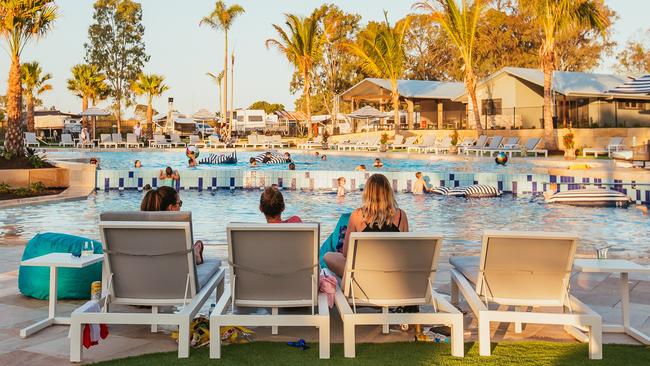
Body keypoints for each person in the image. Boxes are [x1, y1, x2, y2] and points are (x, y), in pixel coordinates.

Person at [324, 174, 409, 277]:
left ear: (367, 193)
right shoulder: (401, 215)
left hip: (363, 273)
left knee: (328, 256)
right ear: (388, 192)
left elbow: (346, 253)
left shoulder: (357, 215)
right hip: (391, 273)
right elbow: (405, 251)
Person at [140, 186, 204, 264]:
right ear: (171, 208)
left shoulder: (137, 230)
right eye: (180, 203)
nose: (180, 207)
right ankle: (196, 253)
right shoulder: (178, 231)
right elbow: (184, 262)